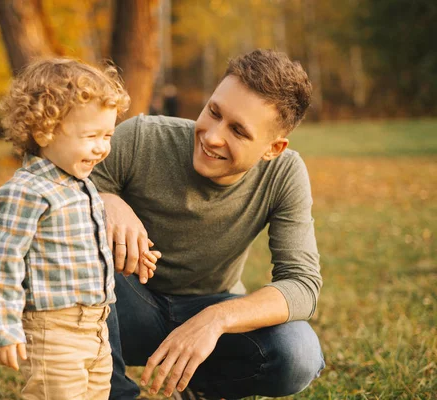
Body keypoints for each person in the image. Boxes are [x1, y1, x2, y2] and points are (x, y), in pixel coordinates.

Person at [90, 49, 325, 399]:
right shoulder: (141, 138)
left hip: (213, 306)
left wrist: (216, 319)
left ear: (273, 148)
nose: (212, 136)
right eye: (213, 112)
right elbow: (56, 194)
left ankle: (201, 386)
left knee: (298, 354)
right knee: (77, 256)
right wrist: (103, 199)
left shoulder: (284, 173)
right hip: (125, 305)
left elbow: (302, 284)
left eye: (238, 131)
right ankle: (116, 393)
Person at [0, 58, 160, 400]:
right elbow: (4, 263)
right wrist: (4, 328)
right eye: (91, 136)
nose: (102, 147)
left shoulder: (82, 185)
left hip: (96, 326)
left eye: (107, 135)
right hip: (55, 328)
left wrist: (128, 258)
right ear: (43, 131)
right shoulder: (27, 191)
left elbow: (80, 247)